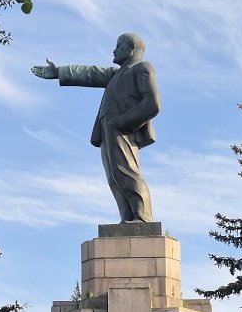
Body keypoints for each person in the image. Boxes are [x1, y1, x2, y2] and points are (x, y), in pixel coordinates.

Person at [31, 33, 160, 223]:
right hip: (107, 129)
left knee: (127, 171)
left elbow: (153, 103)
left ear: (131, 49)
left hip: (123, 127)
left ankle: (142, 218)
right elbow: (90, 73)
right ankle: (127, 219)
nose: (114, 50)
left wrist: (122, 122)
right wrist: (59, 72)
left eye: (119, 46)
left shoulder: (142, 68)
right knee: (114, 177)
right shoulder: (115, 74)